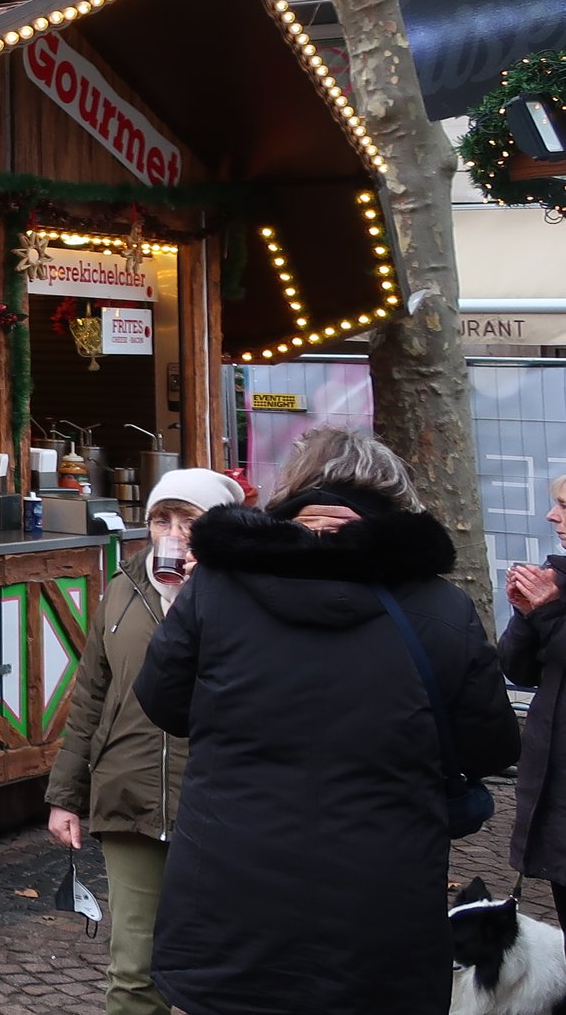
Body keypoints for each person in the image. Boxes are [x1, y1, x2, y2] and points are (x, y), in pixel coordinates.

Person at [138, 427, 518, 1015]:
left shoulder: (215, 589)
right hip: (380, 896)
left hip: (231, 889)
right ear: (398, 499)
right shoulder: (442, 607)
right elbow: (489, 746)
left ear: (294, 491)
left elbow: (163, 702)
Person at [44, 467, 243, 1015]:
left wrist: (200, 595)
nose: (172, 533)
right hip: (127, 797)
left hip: (216, 804)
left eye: (189, 521)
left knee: (222, 965)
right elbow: (89, 696)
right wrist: (66, 795)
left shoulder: (242, 596)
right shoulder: (122, 589)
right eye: (161, 519)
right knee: (133, 969)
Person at [501, 472, 566, 924]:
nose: (551, 515)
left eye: (564, 505)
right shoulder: (557, 579)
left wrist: (548, 612)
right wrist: (526, 615)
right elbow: (518, 670)